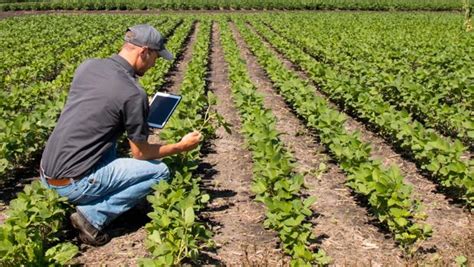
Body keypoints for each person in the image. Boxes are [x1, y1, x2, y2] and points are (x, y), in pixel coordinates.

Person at [39, 24, 201, 246]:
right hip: (72, 183)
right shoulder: (133, 93)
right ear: (144, 51)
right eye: (155, 57)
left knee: (110, 143)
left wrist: (136, 117)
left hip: (47, 173)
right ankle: (92, 217)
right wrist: (181, 146)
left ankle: (94, 192)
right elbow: (140, 153)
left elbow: (97, 112)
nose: (155, 64)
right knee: (160, 172)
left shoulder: (89, 66)